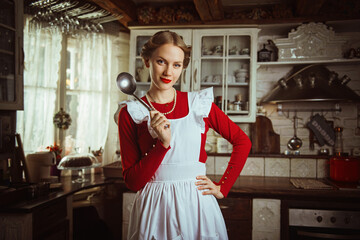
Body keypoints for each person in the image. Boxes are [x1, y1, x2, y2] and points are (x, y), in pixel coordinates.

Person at [118, 30, 251, 240]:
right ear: (146, 61)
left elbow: (242, 141)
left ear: (183, 67)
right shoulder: (131, 112)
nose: (168, 71)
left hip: (197, 205)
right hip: (154, 209)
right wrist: (162, 145)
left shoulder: (200, 104)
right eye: (161, 61)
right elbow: (133, 182)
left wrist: (222, 187)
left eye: (177, 64)